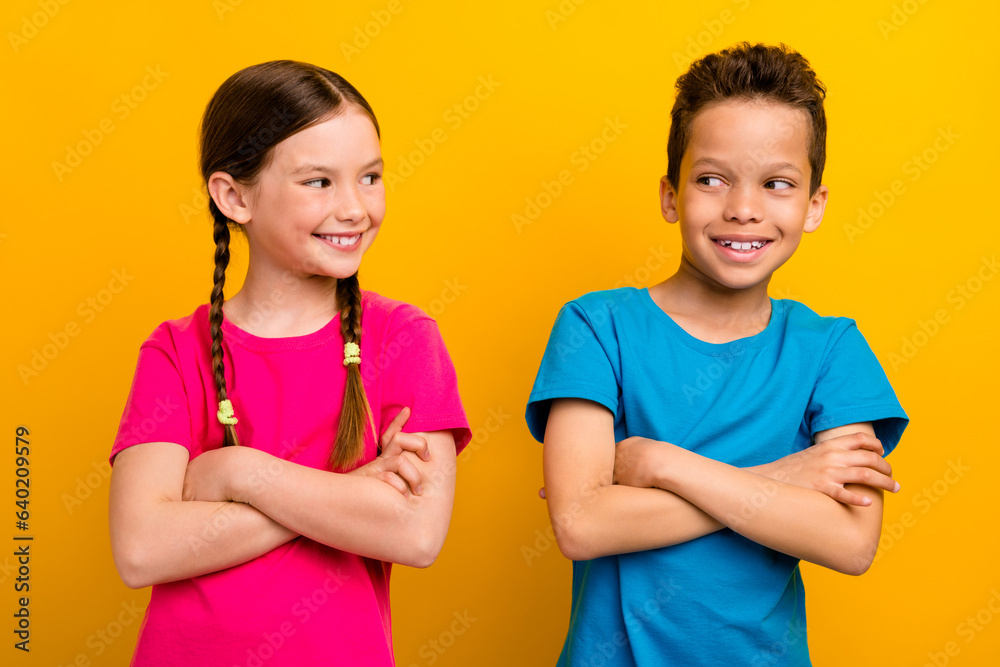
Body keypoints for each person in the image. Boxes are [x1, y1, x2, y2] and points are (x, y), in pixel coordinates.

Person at [525, 43, 908, 666]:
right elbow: (583, 525)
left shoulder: (832, 348)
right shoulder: (596, 326)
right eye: (711, 179)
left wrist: (658, 463)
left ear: (814, 205)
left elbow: (848, 542)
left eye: (777, 184)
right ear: (671, 195)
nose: (743, 209)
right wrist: (782, 479)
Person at [108, 60, 470, 666]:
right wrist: (352, 497)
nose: (355, 208)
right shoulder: (175, 351)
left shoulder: (404, 340)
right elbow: (142, 548)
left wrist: (242, 474)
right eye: (318, 182)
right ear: (234, 196)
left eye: (371, 177)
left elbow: (416, 533)